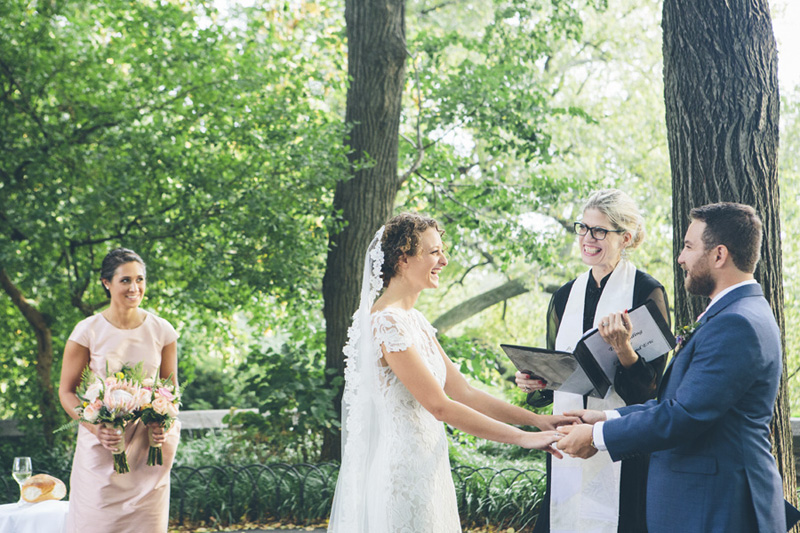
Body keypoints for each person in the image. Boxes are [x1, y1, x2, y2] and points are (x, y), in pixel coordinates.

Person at [327, 212, 574, 533]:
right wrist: (524, 439)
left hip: (428, 468)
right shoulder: (386, 322)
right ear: (402, 259)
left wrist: (538, 420)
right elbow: (440, 406)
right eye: (434, 252)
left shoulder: (413, 320)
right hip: (401, 475)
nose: (444, 259)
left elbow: (465, 392)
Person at [557, 202, 786, 533]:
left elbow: (684, 416)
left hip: (718, 505)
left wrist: (596, 436)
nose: (681, 258)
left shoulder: (737, 324)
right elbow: (678, 403)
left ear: (719, 255)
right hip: (705, 501)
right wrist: (606, 416)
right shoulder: (735, 313)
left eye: (689, 247)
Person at [515, 189, 671, 533]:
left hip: (620, 446)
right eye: (583, 228)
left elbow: (651, 393)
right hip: (567, 437)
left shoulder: (646, 293)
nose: (587, 238)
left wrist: (623, 349)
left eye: (599, 231)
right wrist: (534, 380)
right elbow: (560, 374)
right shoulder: (563, 296)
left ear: (625, 237)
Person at [59, 248, 180, 533]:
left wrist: (164, 423)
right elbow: (66, 392)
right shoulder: (87, 331)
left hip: (148, 453)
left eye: (140, 279)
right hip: (103, 450)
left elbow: (170, 391)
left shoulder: (162, 331)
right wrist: (95, 428)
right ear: (106, 283)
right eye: (125, 280)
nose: (134, 287)